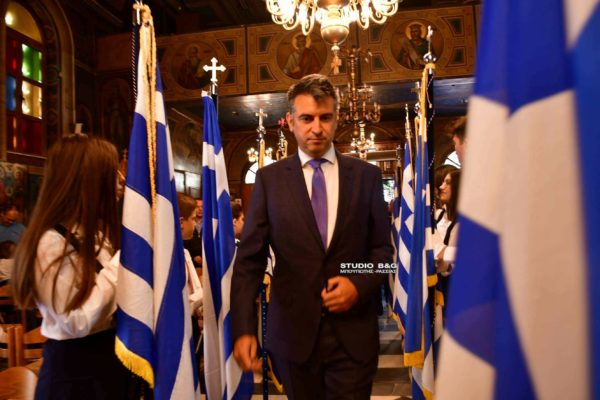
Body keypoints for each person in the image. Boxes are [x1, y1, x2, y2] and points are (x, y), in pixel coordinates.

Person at [231, 74, 393, 399]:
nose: (316, 128)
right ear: (291, 121)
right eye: (307, 118)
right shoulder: (269, 181)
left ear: (337, 118)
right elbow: (249, 263)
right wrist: (244, 329)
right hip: (293, 339)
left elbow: (383, 255)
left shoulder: (366, 176)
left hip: (353, 338)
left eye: (325, 117)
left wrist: (356, 283)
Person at [12, 134, 130, 399]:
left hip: (104, 365)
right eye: (112, 173)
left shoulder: (92, 234)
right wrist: (123, 261)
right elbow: (76, 320)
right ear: (86, 181)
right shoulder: (50, 243)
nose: (121, 180)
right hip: (75, 377)